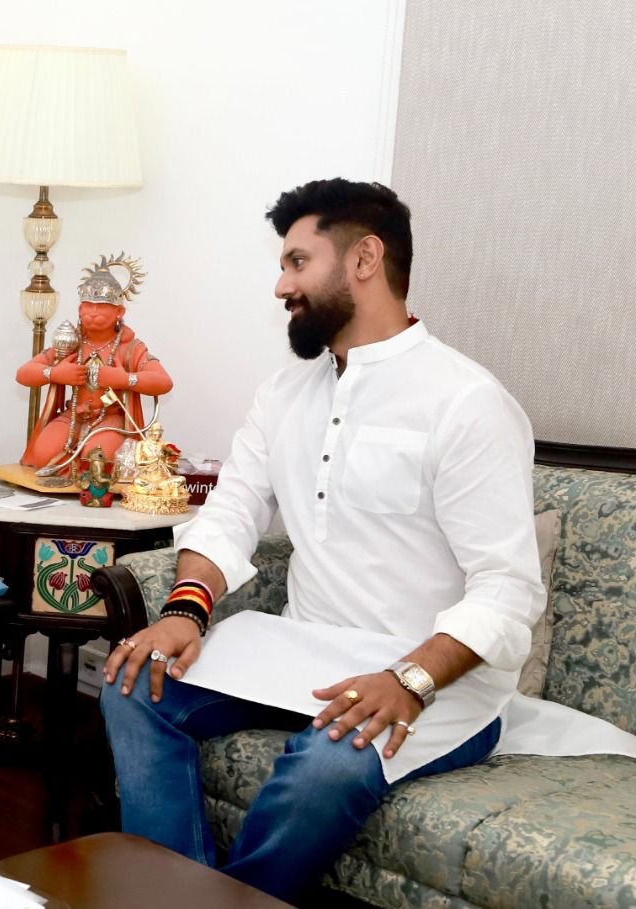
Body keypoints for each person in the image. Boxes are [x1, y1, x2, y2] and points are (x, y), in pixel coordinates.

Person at [98, 180, 545, 901]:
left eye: (298, 261)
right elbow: (232, 510)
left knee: (326, 766)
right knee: (131, 680)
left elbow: (509, 587)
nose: (281, 284)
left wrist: (409, 679)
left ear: (364, 258)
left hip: (430, 683)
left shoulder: (467, 403)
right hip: (303, 651)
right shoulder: (284, 393)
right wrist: (184, 609)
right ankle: (170, 895)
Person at [17, 255, 173, 475]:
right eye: (87, 307)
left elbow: (164, 382)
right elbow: (23, 374)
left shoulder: (130, 348)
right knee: (43, 456)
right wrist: (54, 373)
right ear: (79, 309)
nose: (93, 314)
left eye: (101, 307)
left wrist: (124, 379)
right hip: (72, 416)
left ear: (119, 312)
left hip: (110, 418)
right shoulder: (71, 343)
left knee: (96, 460)